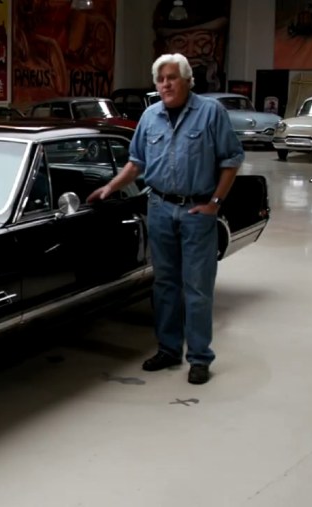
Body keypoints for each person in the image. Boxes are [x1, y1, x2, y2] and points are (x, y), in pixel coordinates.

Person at [87, 53, 244, 385]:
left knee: (197, 288)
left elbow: (231, 161)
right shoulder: (149, 116)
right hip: (159, 209)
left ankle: (200, 358)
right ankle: (169, 349)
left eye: (172, 77)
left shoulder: (210, 113)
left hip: (197, 211)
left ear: (188, 80)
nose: (165, 84)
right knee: (164, 285)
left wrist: (215, 203)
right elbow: (136, 163)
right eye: (160, 79)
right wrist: (111, 187)